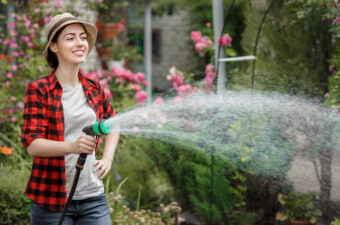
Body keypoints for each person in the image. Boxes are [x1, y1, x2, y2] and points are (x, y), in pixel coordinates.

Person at [20, 12, 119, 225]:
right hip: (52, 202)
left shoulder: (94, 88)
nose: (80, 42)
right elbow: (33, 144)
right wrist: (72, 146)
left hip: (93, 198)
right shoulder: (40, 90)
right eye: (70, 37)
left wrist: (108, 158)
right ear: (54, 47)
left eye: (83, 37)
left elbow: (113, 122)